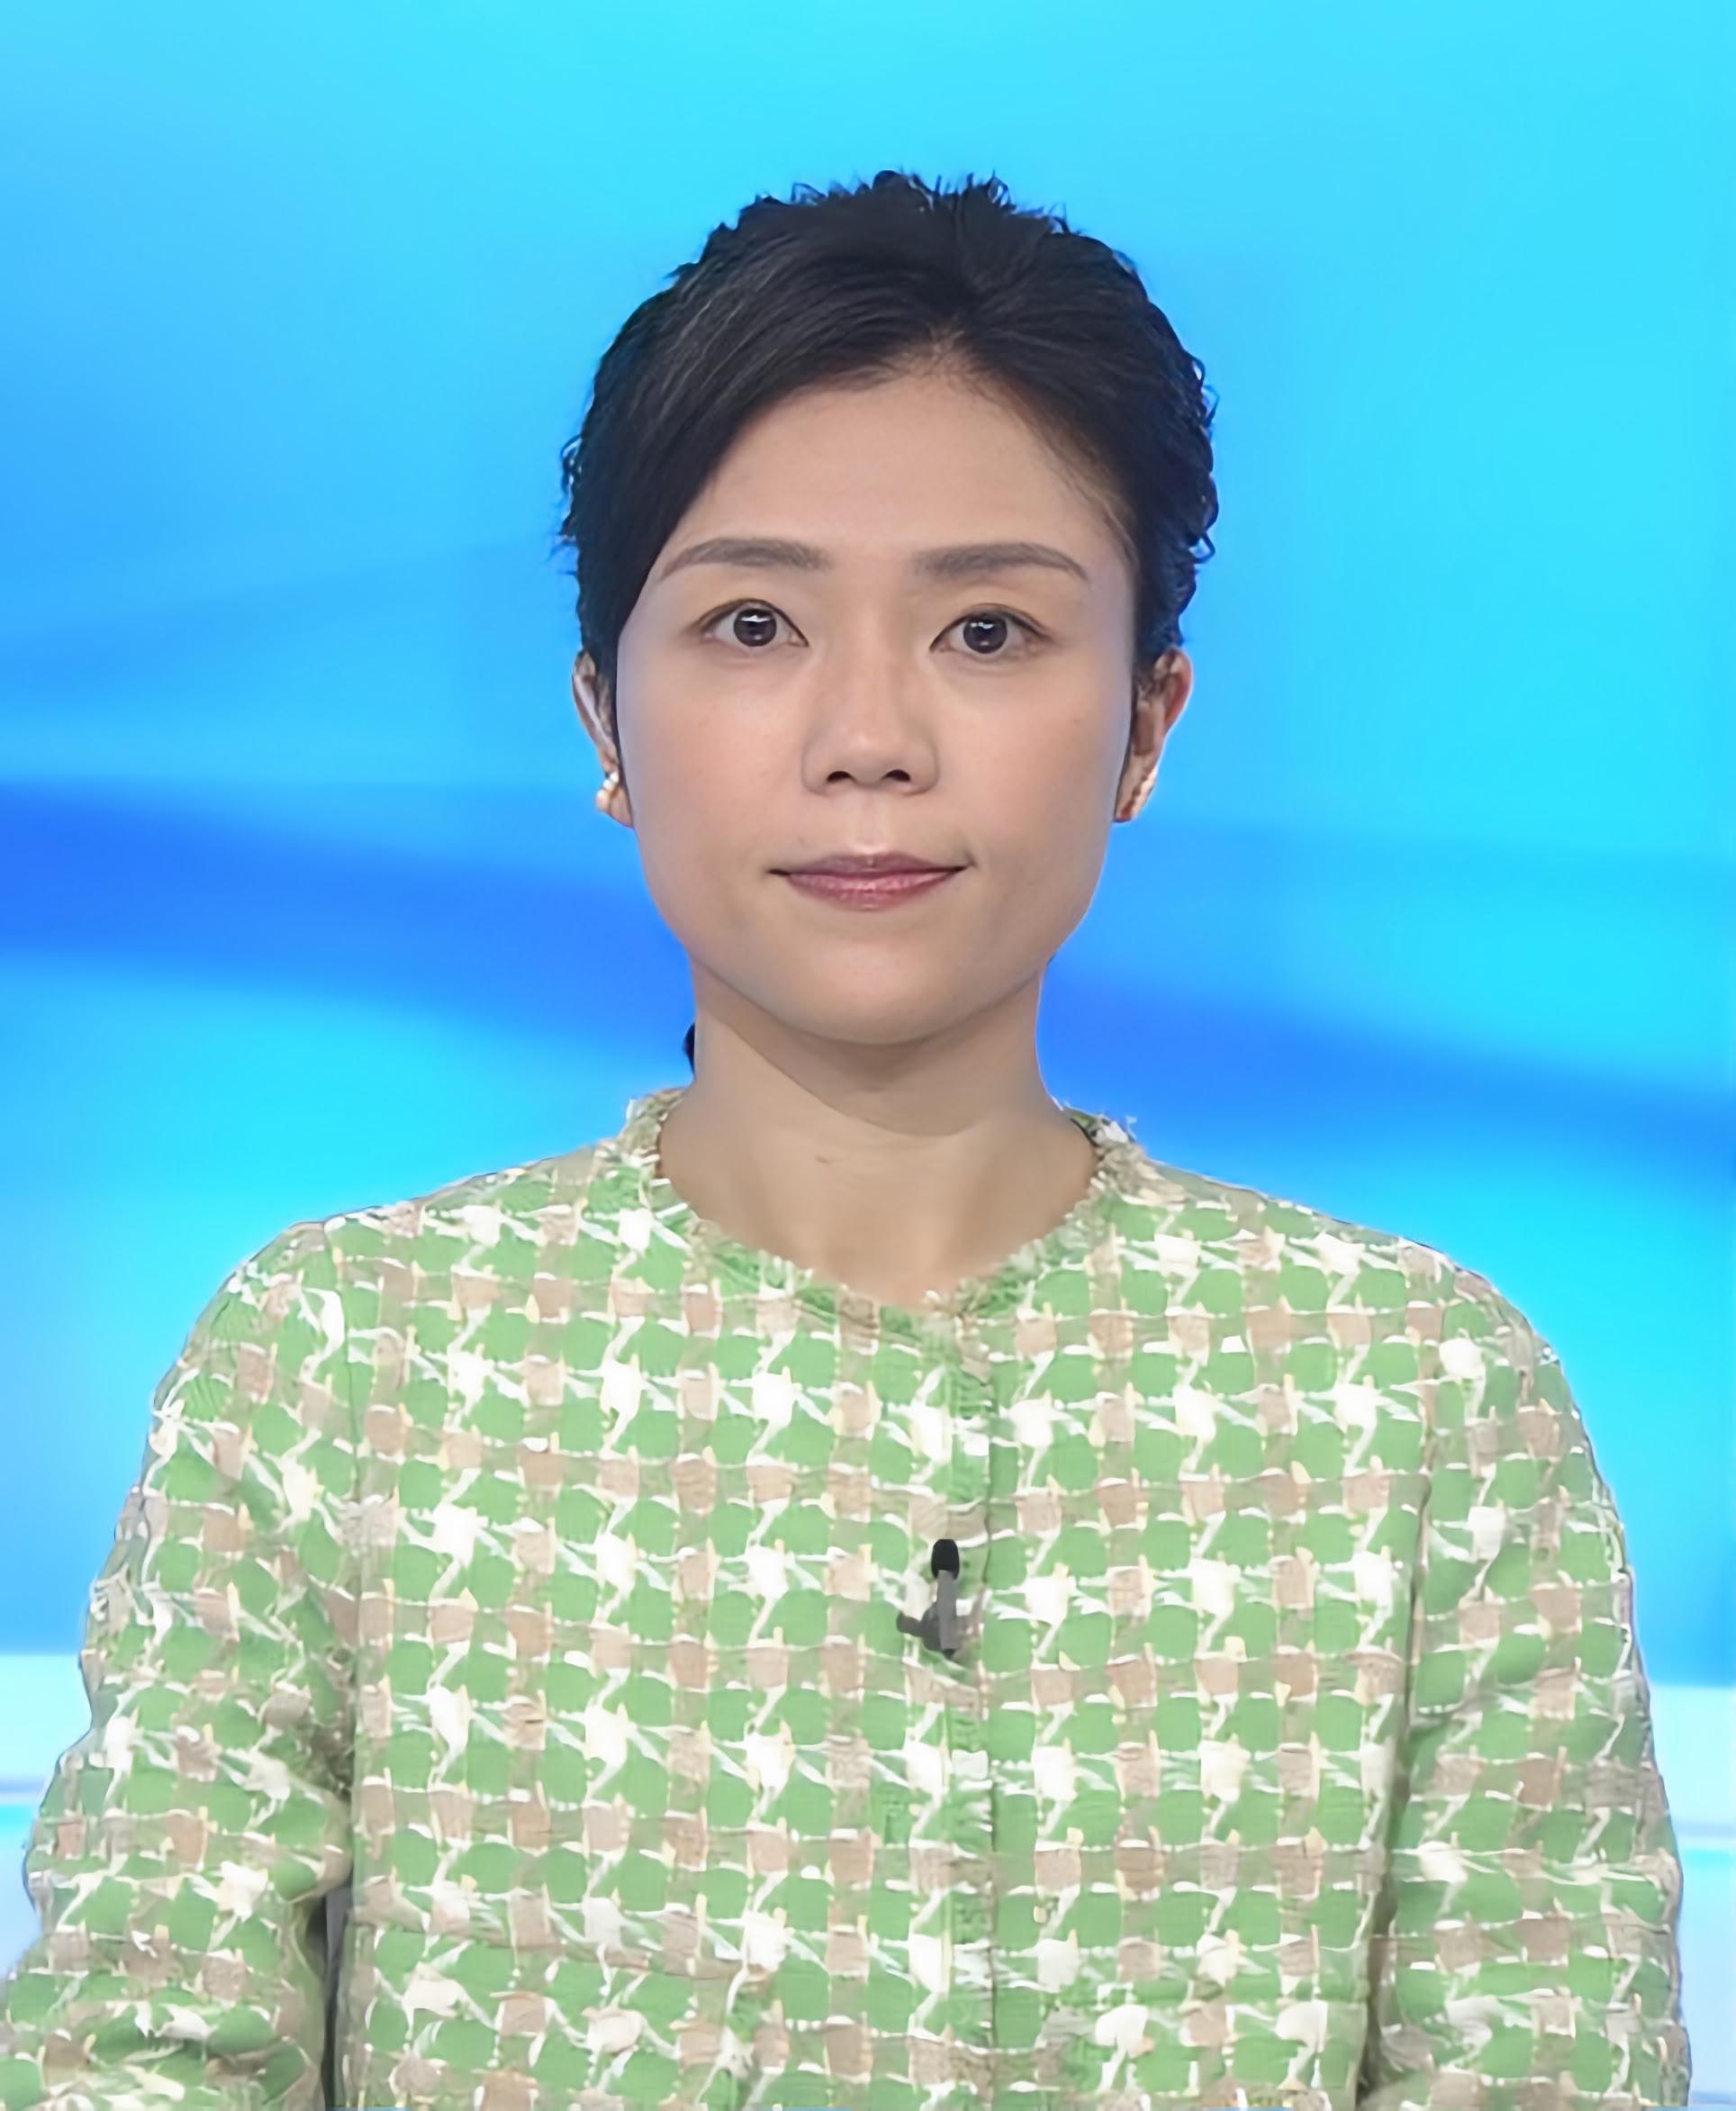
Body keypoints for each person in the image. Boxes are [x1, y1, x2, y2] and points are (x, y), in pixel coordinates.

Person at [0, 169, 1691, 2111]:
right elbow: (135, 2063)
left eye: (988, 629)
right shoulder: (338, 1363)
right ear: (604, 716)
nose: (868, 735)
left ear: (1147, 722)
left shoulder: (1423, 1397)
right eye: (752, 623)